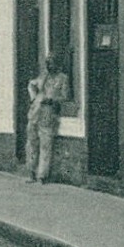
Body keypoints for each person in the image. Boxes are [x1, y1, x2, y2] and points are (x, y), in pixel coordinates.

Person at [26, 55, 71, 184]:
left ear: (57, 64)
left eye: (51, 64)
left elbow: (65, 96)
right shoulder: (44, 76)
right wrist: (34, 98)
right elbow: (31, 84)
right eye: (47, 64)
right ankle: (31, 172)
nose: (49, 66)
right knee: (31, 142)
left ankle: (42, 175)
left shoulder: (63, 78)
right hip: (35, 112)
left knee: (45, 144)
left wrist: (52, 100)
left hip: (48, 112)